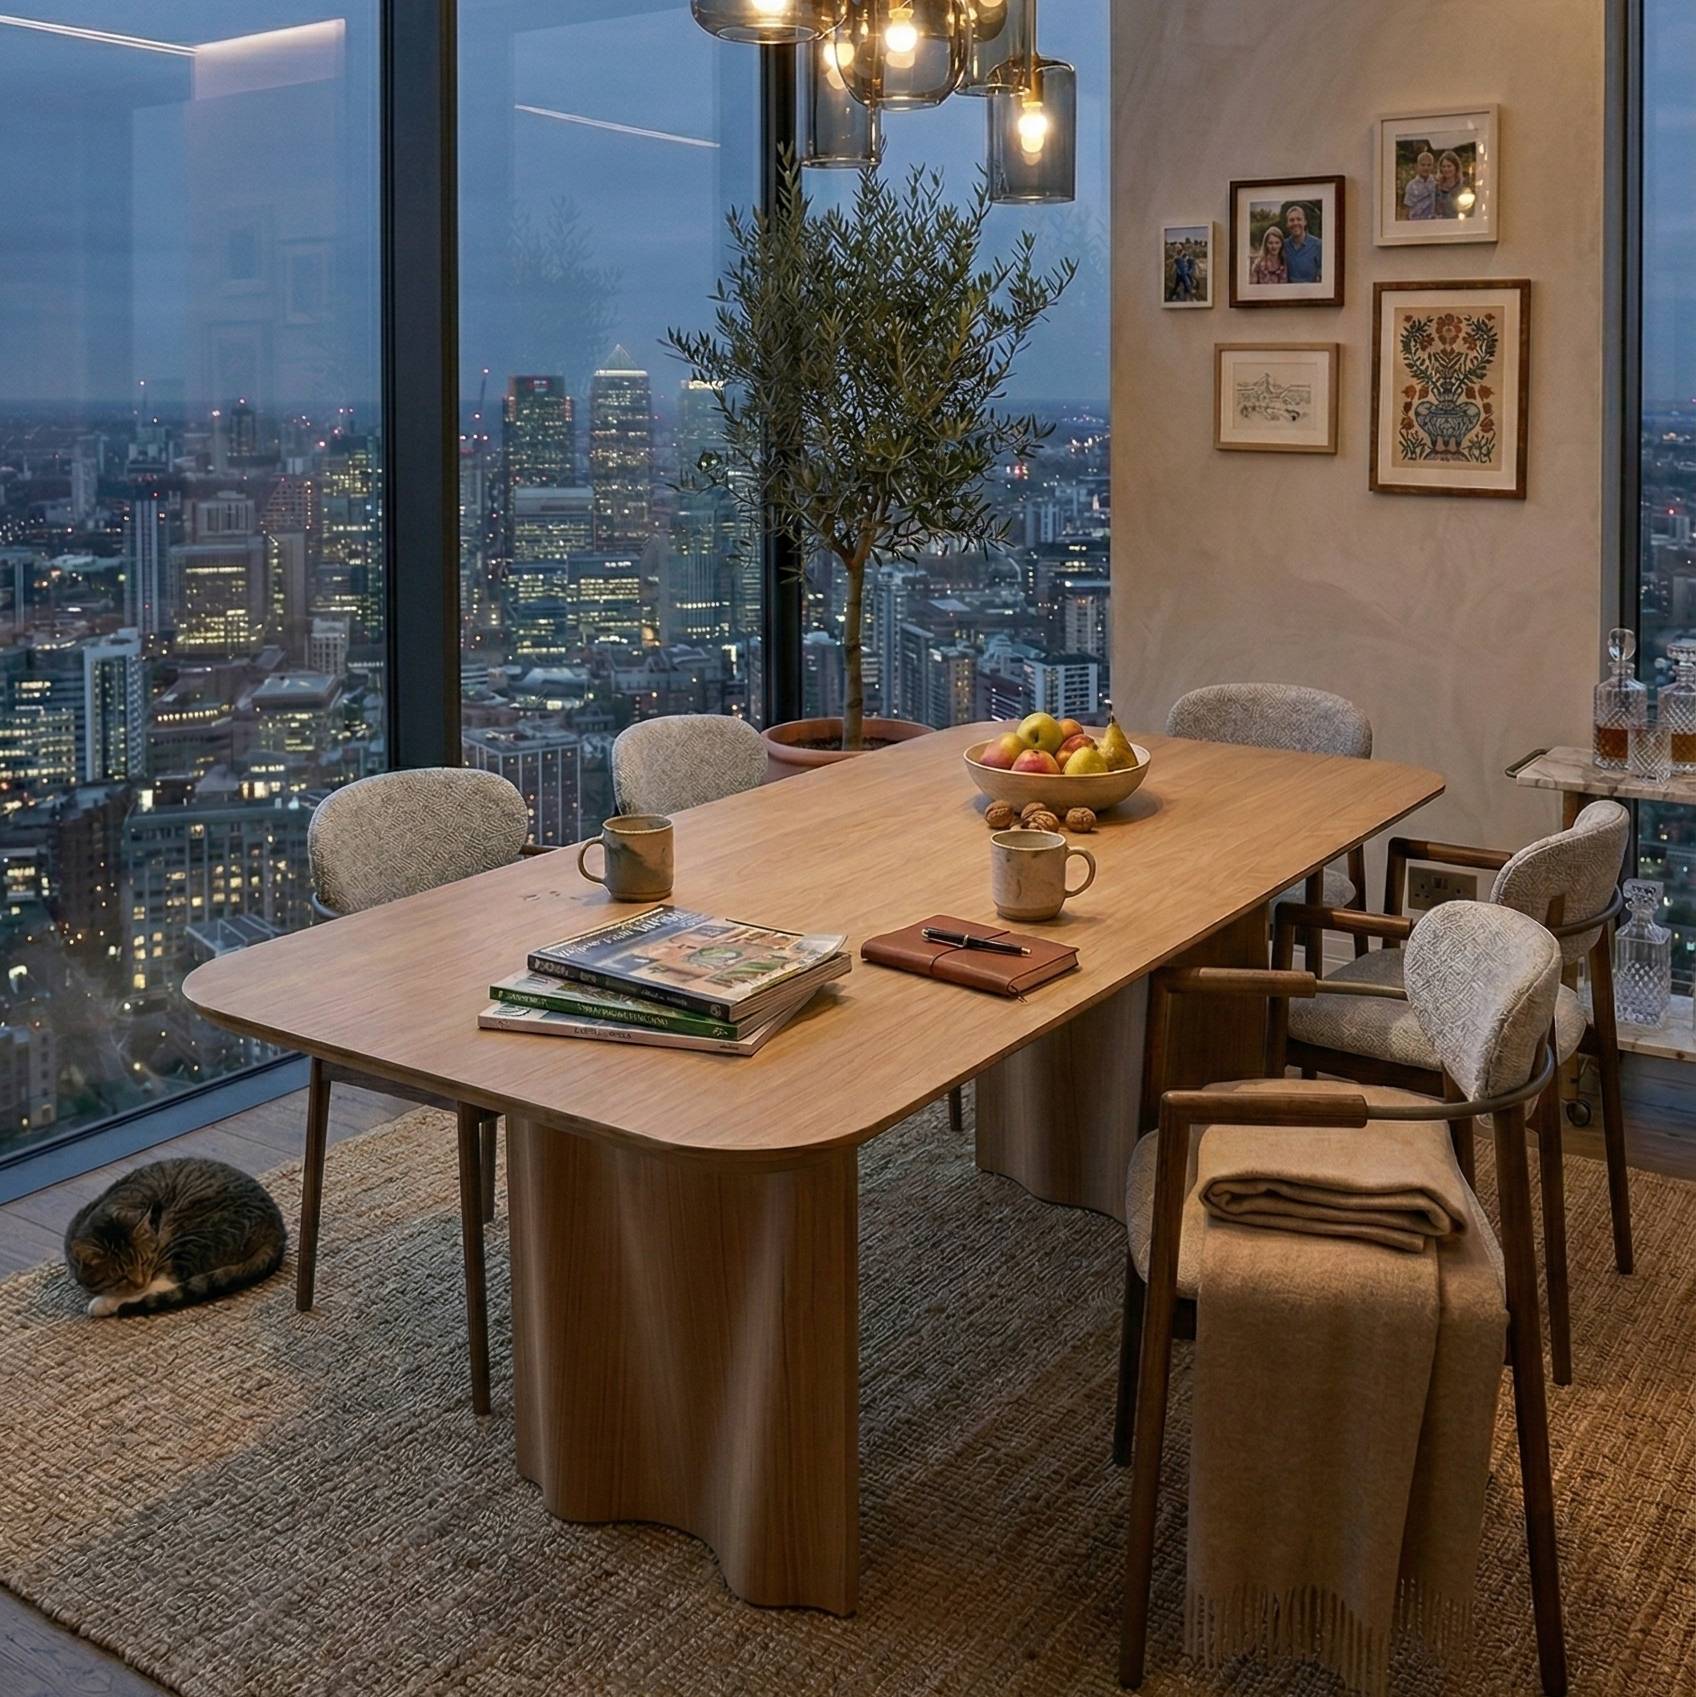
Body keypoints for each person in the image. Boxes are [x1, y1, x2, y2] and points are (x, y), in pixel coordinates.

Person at [1281, 203, 1322, 284]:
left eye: (1299, 219)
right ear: (1287, 224)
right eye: (1291, 220)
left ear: (1305, 222)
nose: (1295, 223)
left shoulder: (1318, 245)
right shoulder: (1283, 246)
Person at [1403, 149, 1438, 220]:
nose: (1426, 168)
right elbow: (1407, 209)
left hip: (1432, 223)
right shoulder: (1411, 186)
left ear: (1432, 167)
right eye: (1423, 165)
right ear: (1417, 166)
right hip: (1416, 222)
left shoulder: (1436, 182)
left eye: (1429, 165)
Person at [1432, 151, 1466, 219]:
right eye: (1443, 167)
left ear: (1456, 167)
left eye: (1449, 166)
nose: (1446, 169)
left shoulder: (1462, 188)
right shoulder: (1436, 188)